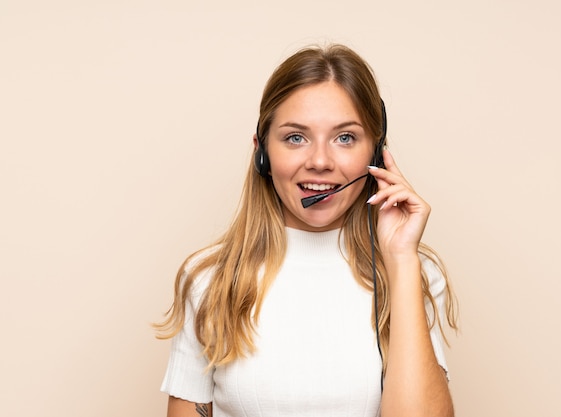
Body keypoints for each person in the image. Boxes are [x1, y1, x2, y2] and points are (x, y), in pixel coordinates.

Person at [156, 43, 458, 417]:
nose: (319, 162)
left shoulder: (414, 270)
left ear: (376, 155)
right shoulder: (208, 279)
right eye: (296, 137)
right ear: (262, 153)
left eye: (345, 137)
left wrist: (401, 259)